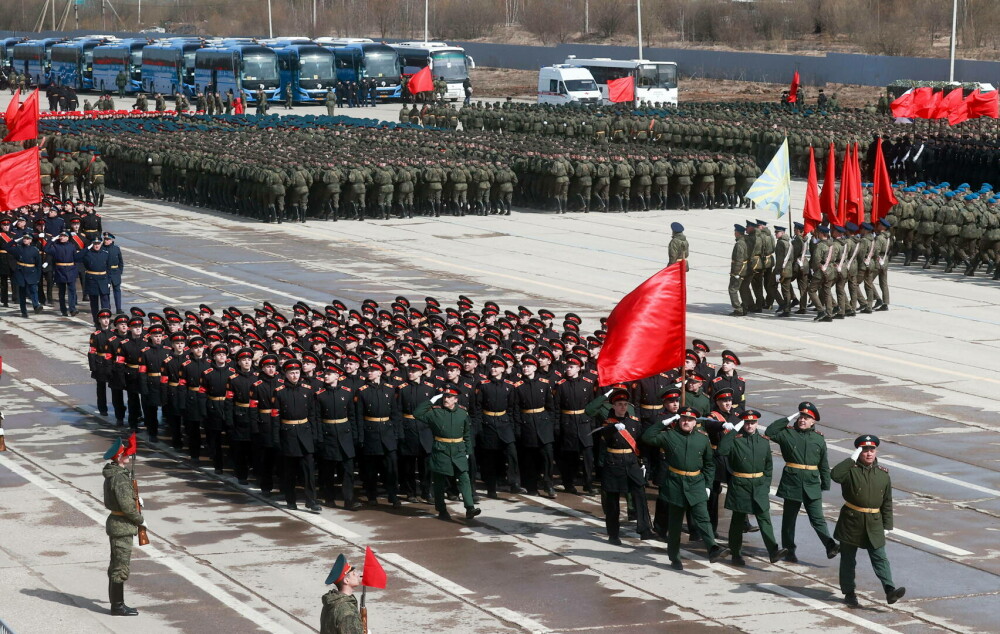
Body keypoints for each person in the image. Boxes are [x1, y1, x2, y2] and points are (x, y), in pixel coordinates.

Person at [641, 406, 730, 570]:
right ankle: (674, 557)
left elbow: (710, 464)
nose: (686, 422)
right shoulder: (669, 436)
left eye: (689, 420)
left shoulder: (702, 439)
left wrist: (708, 486)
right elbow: (647, 437)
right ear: (678, 420)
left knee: (703, 518)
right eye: (683, 419)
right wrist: (662, 423)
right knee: (675, 525)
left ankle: (713, 548)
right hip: (675, 483)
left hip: (696, 483)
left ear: (695, 422)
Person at [831, 435, 905, 608]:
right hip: (851, 521)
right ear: (859, 452)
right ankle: (849, 593)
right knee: (848, 560)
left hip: (874, 522)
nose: (869, 453)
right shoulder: (850, 470)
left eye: (872, 450)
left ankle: (889, 590)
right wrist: (851, 459)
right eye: (865, 450)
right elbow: (834, 475)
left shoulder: (883, 475)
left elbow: (887, 501)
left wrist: (887, 525)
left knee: (880, 558)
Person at [764, 402, 840, 563]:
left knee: (818, 519)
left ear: (813, 421)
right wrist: (789, 417)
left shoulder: (818, 438)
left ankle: (830, 546)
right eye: (800, 417)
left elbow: (823, 464)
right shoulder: (787, 434)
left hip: (812, 485)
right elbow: (770, 431)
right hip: (792, 483)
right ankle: (789, 550)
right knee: (789, 520)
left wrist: (825, 483)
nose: (802, 420)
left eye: (806, 418)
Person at [716, 409, 787, 566]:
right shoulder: (735, 440)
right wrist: (734, 430)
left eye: (752, 423)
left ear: (757, 424)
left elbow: (768, 466)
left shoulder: (763, 441)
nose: (750, 425)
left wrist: (766, 485)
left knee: (764, 518)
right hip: (740, 486)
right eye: (747, 423)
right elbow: (721, 450)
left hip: (759, 486)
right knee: (737, 521)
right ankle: (735, 554)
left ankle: (773, 551)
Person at [586, 386, 653, 545]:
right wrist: (613, 427)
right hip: (613, 463)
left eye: (625, 404)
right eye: (619, 404)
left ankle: (644, 529)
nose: (623, 406)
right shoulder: (608, 423)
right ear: (613, 406)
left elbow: (641, 443)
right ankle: (613, 534)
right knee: (612, 502)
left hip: (631, 462)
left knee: (640, 495)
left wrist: (644, 462)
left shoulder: (635, 422)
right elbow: (604, 433)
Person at [413, 387, 482, 521]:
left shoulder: (462, 413)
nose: (446, 399)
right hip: (441, 450)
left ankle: (470, 508)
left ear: (456, 400)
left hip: (458, 450)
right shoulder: (435, 412)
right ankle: (442, 509)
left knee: (464, 478)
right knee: (439, 482)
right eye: (444, 396)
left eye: (449, 397)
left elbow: (467, 434)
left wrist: (468, 452)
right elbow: (417, 413)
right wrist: (432, 401)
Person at [102, 436, 145, 616]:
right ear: (118, 457)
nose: (127, 454)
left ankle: (117, 604)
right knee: (120, 567)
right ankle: (118, 606)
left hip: (118, 524)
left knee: (116, 565)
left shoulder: (117, 475)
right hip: (122, 526)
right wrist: (139, 519)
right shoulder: (119, 478)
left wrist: (137, 499)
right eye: (124, 452)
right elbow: (126, 506)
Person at [272, 358, 322, 513]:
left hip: (305, 432)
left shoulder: (307, 390)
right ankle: (290, 500)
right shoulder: (279, 392)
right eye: (291, 373)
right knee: (290, 471)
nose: (295, 376)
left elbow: (313, 414)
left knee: (309, 471)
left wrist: (315, 434)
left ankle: (311, 500)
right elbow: (275, 418)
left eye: (297, 372)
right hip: (288, 434)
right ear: (285, 374)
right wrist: (276, 438)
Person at [320, 554, 363, 634]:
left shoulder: (331, 602)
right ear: (346, 581)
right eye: (353, 573)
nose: (358, 575)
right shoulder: (347, 612)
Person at [78, 236, 111, 322]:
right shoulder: (87, 254)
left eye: (98, 244)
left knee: (105, 303)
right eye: (95, 244)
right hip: (92, 280)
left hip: (103, 279)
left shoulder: (105, 253)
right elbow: (76, 257)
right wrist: (86, 249)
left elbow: (109, 269)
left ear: (101, 244)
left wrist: (108, 281)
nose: (96, 246)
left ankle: (106, 320)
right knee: (94, 303)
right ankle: (96, 321)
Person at [10, 233, 43, 317]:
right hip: (21, 273)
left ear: (31, 241)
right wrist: (14, 241)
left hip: (31, 272)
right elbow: (6, 247)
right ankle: (24, 311)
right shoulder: (18, 248)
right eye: (24, 238)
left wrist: (38, 276)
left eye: (27, 239)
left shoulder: (34, 250)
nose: (25, 240)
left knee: (33, 290)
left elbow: (38, 264)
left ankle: (36, 305)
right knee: (22, 293)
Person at [103, 232, 125, 313]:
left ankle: (118, 308)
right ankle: (107, 308)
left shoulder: (116, 249)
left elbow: (121, 262)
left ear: (112, 240)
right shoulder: (102, 249)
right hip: (106, 273)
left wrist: (120, 271)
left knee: (117, 291)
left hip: (115, 272)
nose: (106, 241)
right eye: (105, 239)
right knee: (106, 291)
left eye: (108, 239)